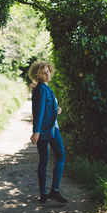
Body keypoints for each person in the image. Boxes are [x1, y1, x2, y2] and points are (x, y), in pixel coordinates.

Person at [28, 60, 67, 203]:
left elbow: (46, 109)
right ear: (38, 75)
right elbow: (39, 112)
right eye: (44, 72)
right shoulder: (43, 89)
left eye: (48, 71)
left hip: (44, 128)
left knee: (43, 161)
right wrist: (36, 132)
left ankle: (43, 194)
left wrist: (57, 110)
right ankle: (54, 191)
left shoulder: (41, 89)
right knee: (61, 157)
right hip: (50, 129)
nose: (47, 74)